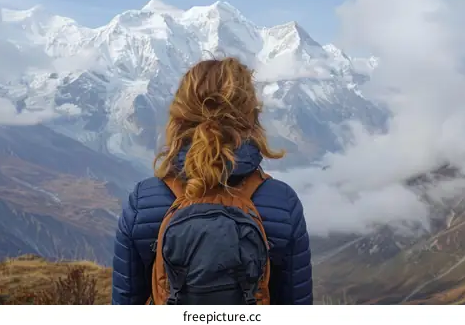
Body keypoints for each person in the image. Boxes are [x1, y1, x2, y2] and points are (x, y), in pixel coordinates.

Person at [111, 57, 313, 305]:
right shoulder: (283, 202)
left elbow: (124, 303)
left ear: (179, 115)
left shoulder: (143, 201)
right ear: (251, 116)